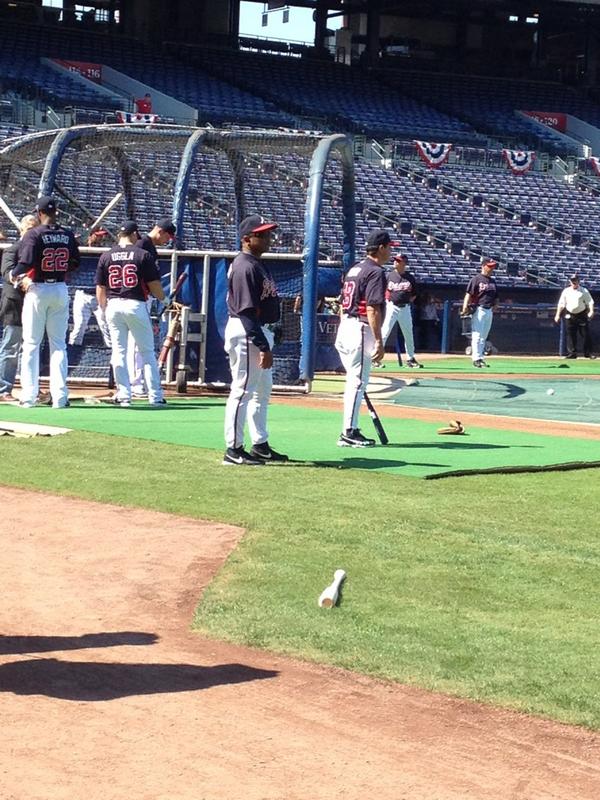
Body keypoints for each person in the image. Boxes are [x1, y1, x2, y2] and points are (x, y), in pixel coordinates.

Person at [223, 214, 287, 466]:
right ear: (247, 239)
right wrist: (262, 345)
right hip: (247, 332)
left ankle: (259, 444)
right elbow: (246, 311)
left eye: (268, 233)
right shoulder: (245, 266)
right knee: (242, 391)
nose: (268, 238)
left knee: (261, 392)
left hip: (257, 330)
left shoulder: (256, 263)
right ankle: (233, 448)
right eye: (262, 234)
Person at [10, 196, 80, 408]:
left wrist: (14, 274)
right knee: (58, 344)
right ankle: (60, 397)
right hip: (59, 288)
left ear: (39, 213)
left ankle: (29, 397)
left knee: (31, 344)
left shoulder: (33, 234)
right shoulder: (67, 234)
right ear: (55, 211)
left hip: (38, 289)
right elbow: (75, 263)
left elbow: (26, 262)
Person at [95, 220, 166, 406]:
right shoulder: (142, 254)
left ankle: (124, 395)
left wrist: (103, 309)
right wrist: (164, 299)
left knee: (119, 351)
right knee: (148, 352)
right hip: (135, 303)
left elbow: (100, 288)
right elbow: (154, 285)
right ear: (134, 234)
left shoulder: (106, 255)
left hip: (113, 304)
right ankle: (155, 396)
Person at [334, 228, 389, 447]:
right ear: (381, 248)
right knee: (357, 383)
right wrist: (379, 340)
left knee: (354, 382)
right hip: (360, 328)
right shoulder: (376, 271)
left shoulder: (355, 268)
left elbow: (341, 303)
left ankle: (350, 427)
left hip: (345, 326)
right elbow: (373, 308)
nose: (390, 253)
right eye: (388, 248)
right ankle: (349, 431)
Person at [129, 217, 176, 397]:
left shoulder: (148, 245)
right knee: (136, 344)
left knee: (138, 343)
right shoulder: (142, 244)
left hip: (141, 298)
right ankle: (135, 385)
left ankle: (136, 384)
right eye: (167, 237)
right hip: (136, 297)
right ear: (160, 231)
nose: (167, 241)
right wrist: (163, 299)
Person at [0, 213, 38, 401]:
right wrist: (22, 279)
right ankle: (3, 389)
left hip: (35, 303)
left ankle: (30, 389)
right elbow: (7, 273)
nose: (32, 232)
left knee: (30, 347)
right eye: (29, 229)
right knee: (11, 346)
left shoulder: (39, 251)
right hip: (14, 303)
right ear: (21, 230)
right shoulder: (13, 249)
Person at [68, 228, 112, 347]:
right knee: (79, 327)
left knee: (106, 328)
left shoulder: (105, 252)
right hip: (83, 294)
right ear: (90, 235)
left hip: (100, 294)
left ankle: (112, 358)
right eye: (97, 235)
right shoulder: (80, 250)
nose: (101, 238)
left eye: (102, 236)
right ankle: (72, 355)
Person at [379, 253, 423, 368]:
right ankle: (376, 358)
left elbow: (415, 294)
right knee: (384, 332)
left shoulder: (410, 278)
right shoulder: (389, 276)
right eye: (395, 260)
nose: (395, 262)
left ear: (404, 263)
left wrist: (408, 301)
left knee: (408, 334)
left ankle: (410, 359)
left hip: (405, 308)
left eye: (398, 261)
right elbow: (383, 290)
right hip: (392, 307)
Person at [461, 258, 499, 368]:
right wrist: (464, 307)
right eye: (489, 266)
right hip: (479, 309)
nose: (491, 269)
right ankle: (475, 358)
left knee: (484, 336)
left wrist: (496, 305)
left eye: (492, 267)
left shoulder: (492, 281)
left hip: (489, 310)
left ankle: (481, 358)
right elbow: (468, 294)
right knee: (477, 335)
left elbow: (496, 296)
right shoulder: (476, 279)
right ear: (483, 266)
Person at [554, 273, 595, 359]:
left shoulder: (584, 290)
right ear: (570, 281)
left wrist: (591, 311)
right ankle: (572, 353)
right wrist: (557, 315)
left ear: (578, 281)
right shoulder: (566, 291)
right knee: (571, 334)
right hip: (570, 314)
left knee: (585, 334)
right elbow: (561, 304)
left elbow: (590, 302)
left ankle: (588, 353)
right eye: (572, 281)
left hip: (582, 314)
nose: (574, 282)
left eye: (575, 280)